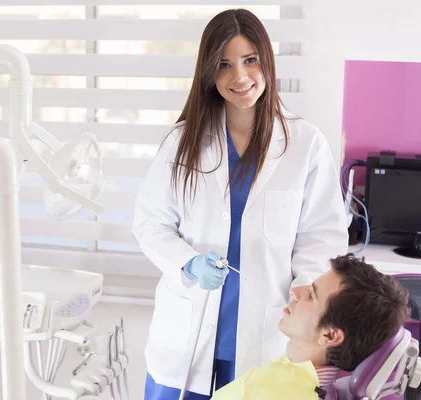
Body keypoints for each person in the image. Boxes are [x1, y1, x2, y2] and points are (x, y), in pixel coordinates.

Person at [132, 8, 349, 399]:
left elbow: (323, 237)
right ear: (208, 72)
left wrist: (304, 295)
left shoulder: (305, 144)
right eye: (224, 65)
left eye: (250, 60)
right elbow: (150, 224)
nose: (240, 77)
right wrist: (188, 263)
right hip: (186, 330)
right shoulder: (182, 142)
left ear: (266, 61)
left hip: (266, 331)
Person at [211, 254, 410, 399]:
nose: (296, 293)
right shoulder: (297, 377)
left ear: (330, 335)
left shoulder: (271, 393)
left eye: (312, 295)